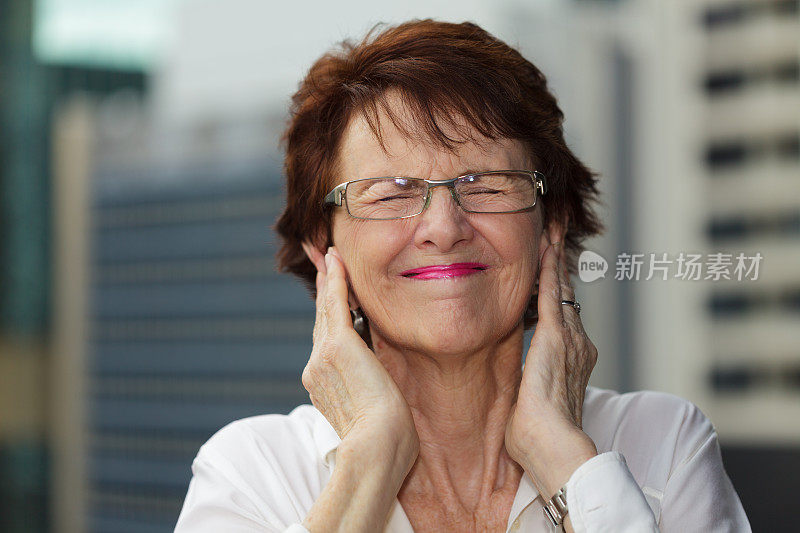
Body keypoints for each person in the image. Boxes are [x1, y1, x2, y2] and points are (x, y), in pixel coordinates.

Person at [175, 19, 751, 532]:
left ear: (550, 228)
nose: (444, 227)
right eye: (391, 193)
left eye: (486, 186)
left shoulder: (661, 445)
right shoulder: (251, 473)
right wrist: (371, 461)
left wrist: (565, 462)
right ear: (324, 249)